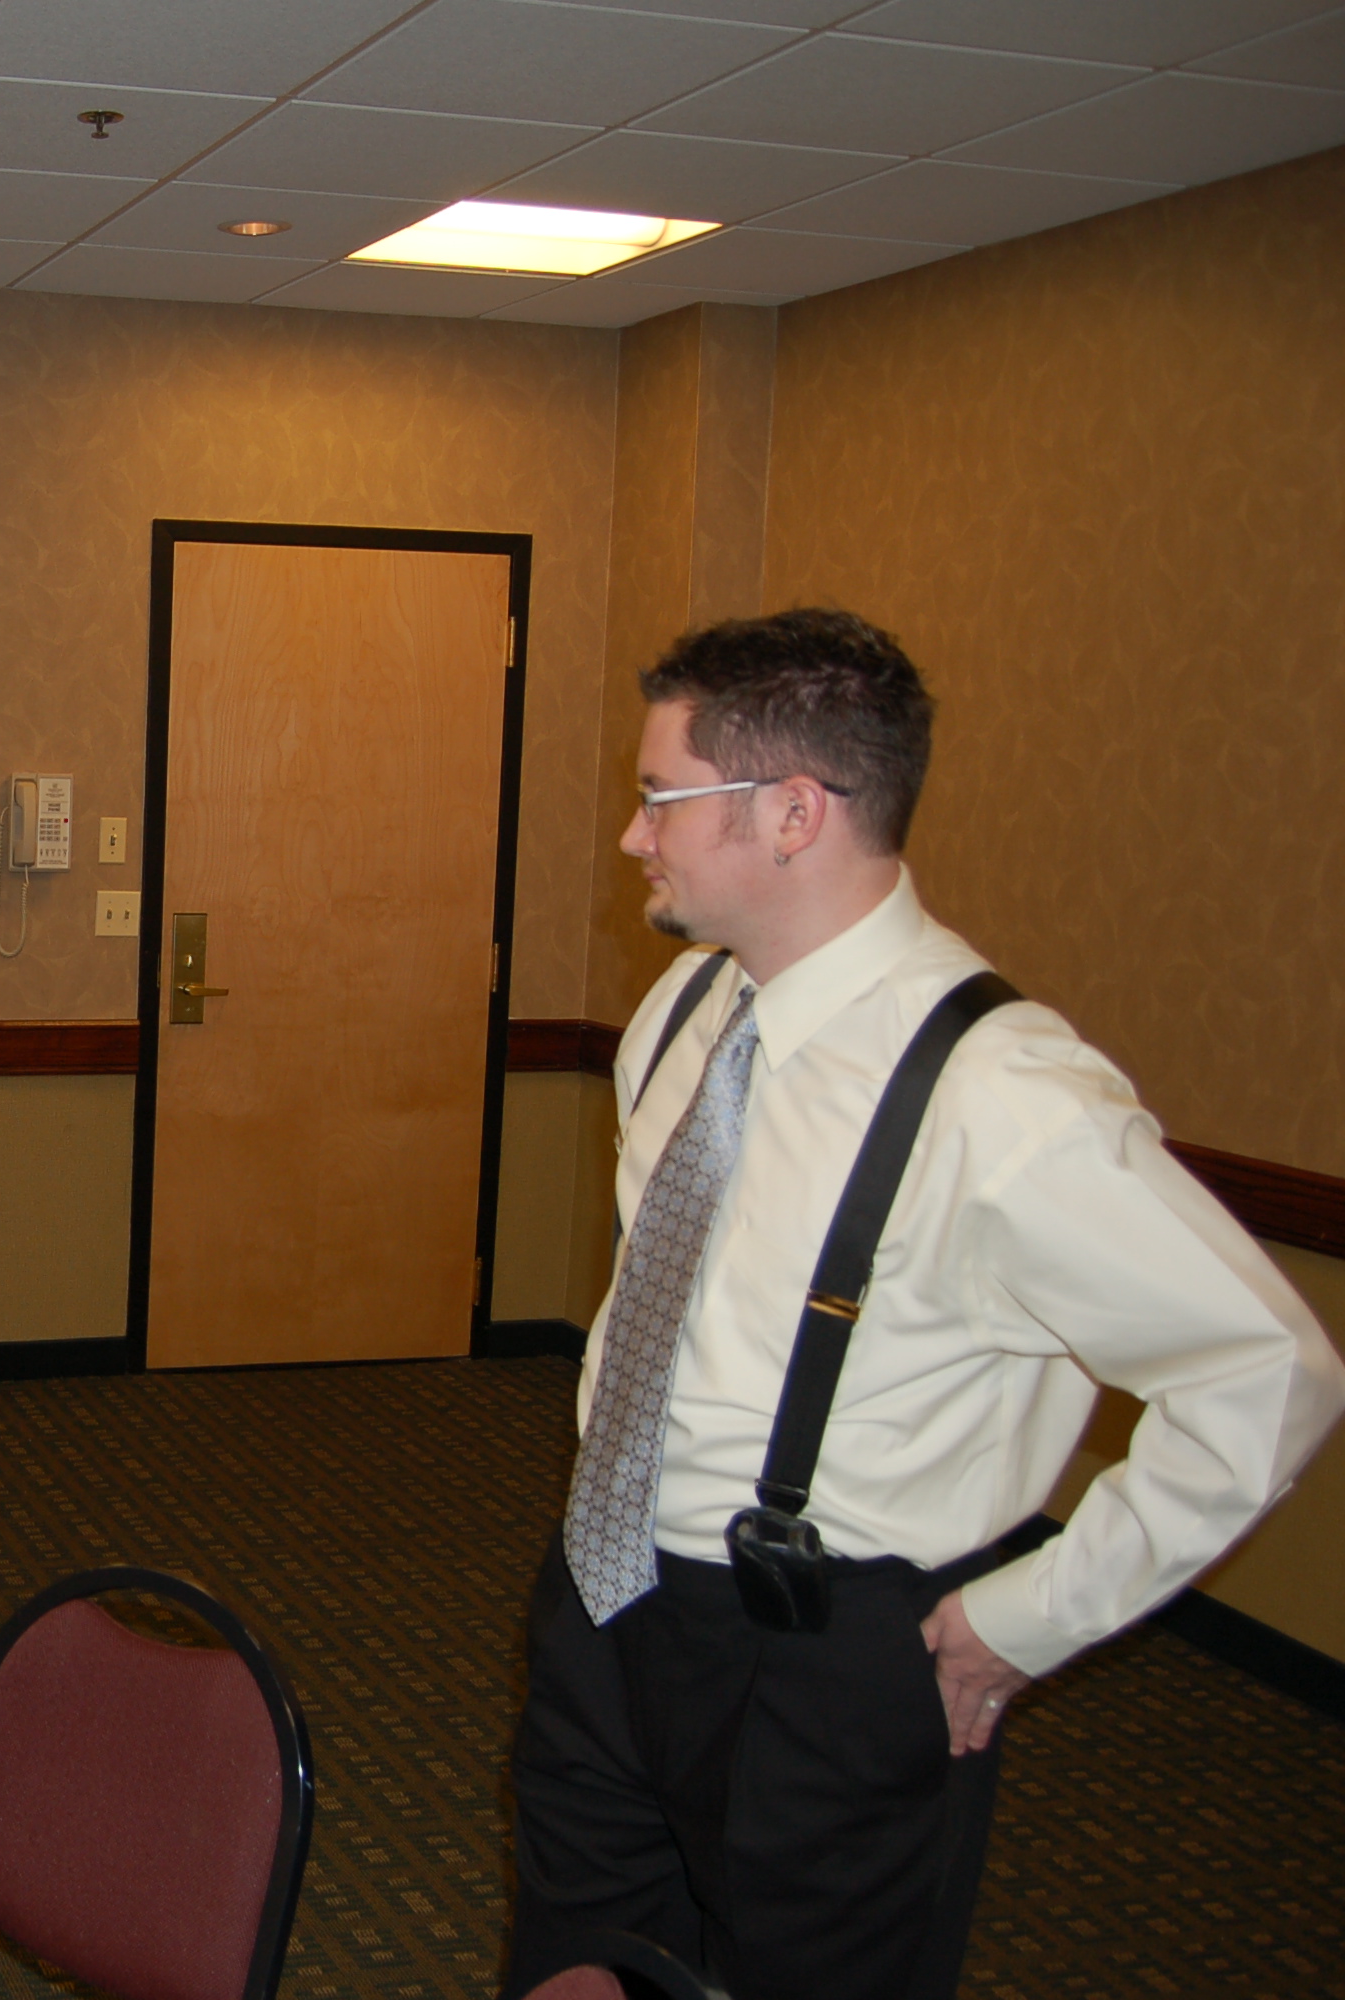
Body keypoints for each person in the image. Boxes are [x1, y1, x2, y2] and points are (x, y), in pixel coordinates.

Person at [503, 610, 1344, 2000]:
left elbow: (1270, 1371)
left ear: (792, 813)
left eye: (662, 797)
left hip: (818, 1664)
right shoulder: (687, 1009)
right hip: (604, 1595)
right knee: (574, 1962)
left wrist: (1034, 1612)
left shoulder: (1002, 1097)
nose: (633, 834)